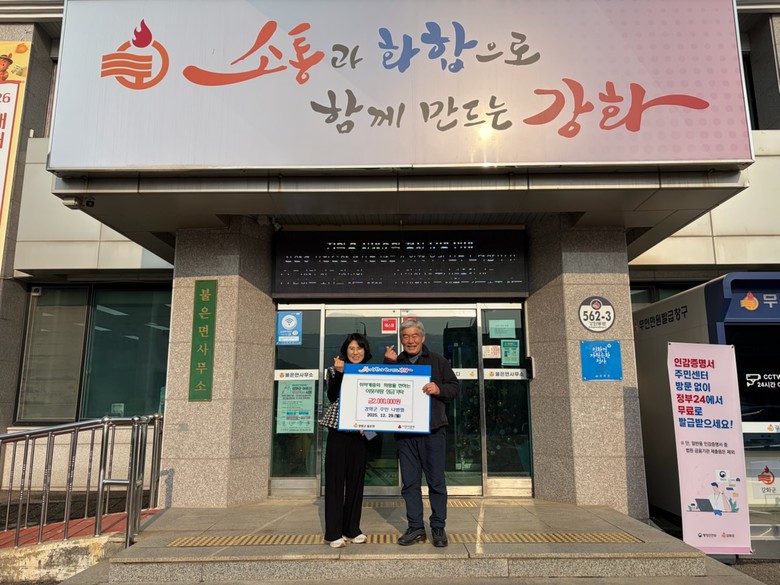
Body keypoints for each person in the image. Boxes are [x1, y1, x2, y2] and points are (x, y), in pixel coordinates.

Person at [384, 320, 459, 547]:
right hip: (405, 434)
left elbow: (454, 387)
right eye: (406, 336)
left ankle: (438, 527)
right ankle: (416, 527)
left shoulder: (438, 361)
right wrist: (387, 365)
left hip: (433, 432)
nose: (411, 340)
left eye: (415, 335)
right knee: (410, 484)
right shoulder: (395, 362)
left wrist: (439, 388)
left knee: (436, 482)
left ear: (423, 338)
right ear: (401, 339)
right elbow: (383, 389)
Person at [323, 332, 372, 548]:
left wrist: (371, 431)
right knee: (335, 483)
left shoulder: (371, 373)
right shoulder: (335, 370)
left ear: (365, 351)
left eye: (359, 348)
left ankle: (352, 529)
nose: (355, 352)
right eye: (351, 348)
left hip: (360, 435)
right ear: (345, 351)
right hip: (339, 433)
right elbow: (332, 396)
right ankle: (333, 532)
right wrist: (341, 374)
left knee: (355, 483)